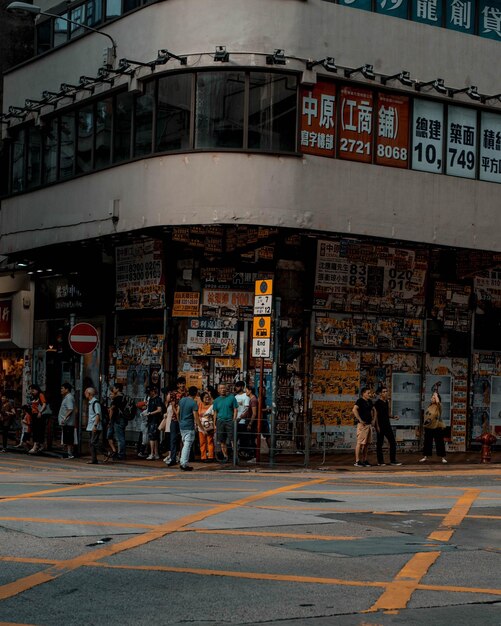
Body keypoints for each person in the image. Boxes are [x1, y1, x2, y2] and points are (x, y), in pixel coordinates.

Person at [374, 387, 402, 466]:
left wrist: (393, 417)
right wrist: (377, 426)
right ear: (380, 393)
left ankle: (393, 461)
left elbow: (387, 414)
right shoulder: (377, 403)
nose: (386, 393)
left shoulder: (386, 402)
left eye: (386, 391)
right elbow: (375, 416)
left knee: (392, 442)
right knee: (380, 444)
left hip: (387, 425)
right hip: (380, 425)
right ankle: (380, 461)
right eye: (384, 392)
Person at [176, 385, 201, 471]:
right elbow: (196, 417)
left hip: (182, 425)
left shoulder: (182, 400)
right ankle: (183, 463)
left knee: (184, 444)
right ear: (196, 393)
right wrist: (201, 427)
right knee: (187, 445)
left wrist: (180, 421)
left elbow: (177, 412)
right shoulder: (193, 403)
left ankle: (182, 461)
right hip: (189, 426)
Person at [212, 383, 237, 463]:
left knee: (233, 439)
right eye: (221, 388)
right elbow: (215, 412)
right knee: (221, 440)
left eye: (224, 388)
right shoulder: (216, 400)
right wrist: (214, 424)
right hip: (220, 421)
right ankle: (225, 456)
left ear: (226, 389)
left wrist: (234, 419)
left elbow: (235, 409)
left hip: (229, 421)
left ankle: (235, 456)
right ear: (218, 390)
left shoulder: (232, 398)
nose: (223, 389)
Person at [420, 391, 447, 464]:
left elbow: (438, 402)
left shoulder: (439, 406)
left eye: (433, 398)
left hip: (437, 427)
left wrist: (436, 395)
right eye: (432, 397)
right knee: (427, 442)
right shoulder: (430, 406)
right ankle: (425, 456)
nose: (432, 398)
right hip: (429, 427)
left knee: (440, 443)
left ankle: (443, 457)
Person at [166, 377, 187, 467]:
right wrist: (178, 417)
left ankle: (182, 457)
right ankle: (173, 458)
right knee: (173, 439)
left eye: (183, 383)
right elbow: (173, 405)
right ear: (177, 384)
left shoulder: (187, 393)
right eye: (180, 383)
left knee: (184, 439)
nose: (182, 385)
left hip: (185, 418)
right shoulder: (173, 393)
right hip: (175, 419)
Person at [352, 387, 375, 467]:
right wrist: (360, 419)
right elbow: (354, 410)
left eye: (370, 393)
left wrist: (373, 419)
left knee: (366, 444)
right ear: (363, 393)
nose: (369, 394)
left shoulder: (369, 401)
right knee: (360, 443)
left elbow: (374, 410)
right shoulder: (360, 401)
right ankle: (357, 461)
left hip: (369, 425)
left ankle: (364, 460)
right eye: (368, 393)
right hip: (362, 425)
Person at [145, 386, 164, 460]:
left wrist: (150, 413)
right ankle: (156, 453)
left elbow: (159, 410)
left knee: (152, 438)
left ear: (153, 391)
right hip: (151, 420)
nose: (149, 394)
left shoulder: (157, 399)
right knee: (154, 438)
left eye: (149, 392)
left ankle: (152, 453)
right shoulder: (150, 399)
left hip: (154, 420)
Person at [84, 387, 102, 464]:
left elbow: (98, 415)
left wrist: (95, 425)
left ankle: (106, 452)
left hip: (95, 426)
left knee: (93, 442)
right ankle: (94, 459)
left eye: (85, 393)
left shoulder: (95, 403)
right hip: (91, 426)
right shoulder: (91, 402)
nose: (85, 394)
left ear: (89, 394)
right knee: (92, 443)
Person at [28, 384, 47, 454]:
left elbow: (44, 404)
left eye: (33, 390)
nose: (31, 391)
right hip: (34, 414)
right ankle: (41, 445)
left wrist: (40, 412)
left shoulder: (40, 395)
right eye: (30, 390)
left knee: (37, 430)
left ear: (37, 389)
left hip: (39, 415)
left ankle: (35, 446)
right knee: (36, 430)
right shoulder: (33, 397)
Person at [58, 382, 76, 459]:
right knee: (66, 438)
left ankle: (70, 454)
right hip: (66, 423)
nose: (61, 390)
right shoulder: (67, 397)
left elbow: (70, 409)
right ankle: (68, 453)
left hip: (68, 422)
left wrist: (64, 418)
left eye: (62, 388)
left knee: (68, 439)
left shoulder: (69, 398)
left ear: (67, 389)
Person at [110, 383, 126, 460]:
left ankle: (121, 454)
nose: (113, 390)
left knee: (120, 438)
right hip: (123, 419)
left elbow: (112, 409)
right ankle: (121, 453)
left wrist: (110, 420)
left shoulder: (117, 398)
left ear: (117, 389)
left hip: (118, 419)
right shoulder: (124, 397)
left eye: (114, 388)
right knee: (121, 436)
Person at [197, 390, 215, 462]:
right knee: (202, 442)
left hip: (209, 426)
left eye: (208, 397)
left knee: (210, 441)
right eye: (205, 397)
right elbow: (197, 415)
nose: (207, 399)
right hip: (201, 426)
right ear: (202, 399)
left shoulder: (212, 406)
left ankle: (211, 456)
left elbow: (214, 415)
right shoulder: (199, 405)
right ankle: (203, 457)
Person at [234, 381, 250, 458]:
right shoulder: (235, 397)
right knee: (235, 438)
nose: (236, 388)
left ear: (242, 387)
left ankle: (244, 453)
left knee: (244, 439)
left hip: (243, 422)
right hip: (235, 421)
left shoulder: (246, 396)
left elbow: (247, 409)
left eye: (238, 386)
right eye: (236, 386)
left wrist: (240, 417)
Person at [244, 384, 259, 462]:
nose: (245, 391)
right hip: (250, 421)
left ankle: (254, 457)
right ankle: (254, 456)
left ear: (250, 391)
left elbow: (254, 413)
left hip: (252, 423)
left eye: (246, 390)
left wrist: (250, 423)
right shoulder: (252, 399)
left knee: (252, 439)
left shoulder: (253, 400)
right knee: (251, 439)